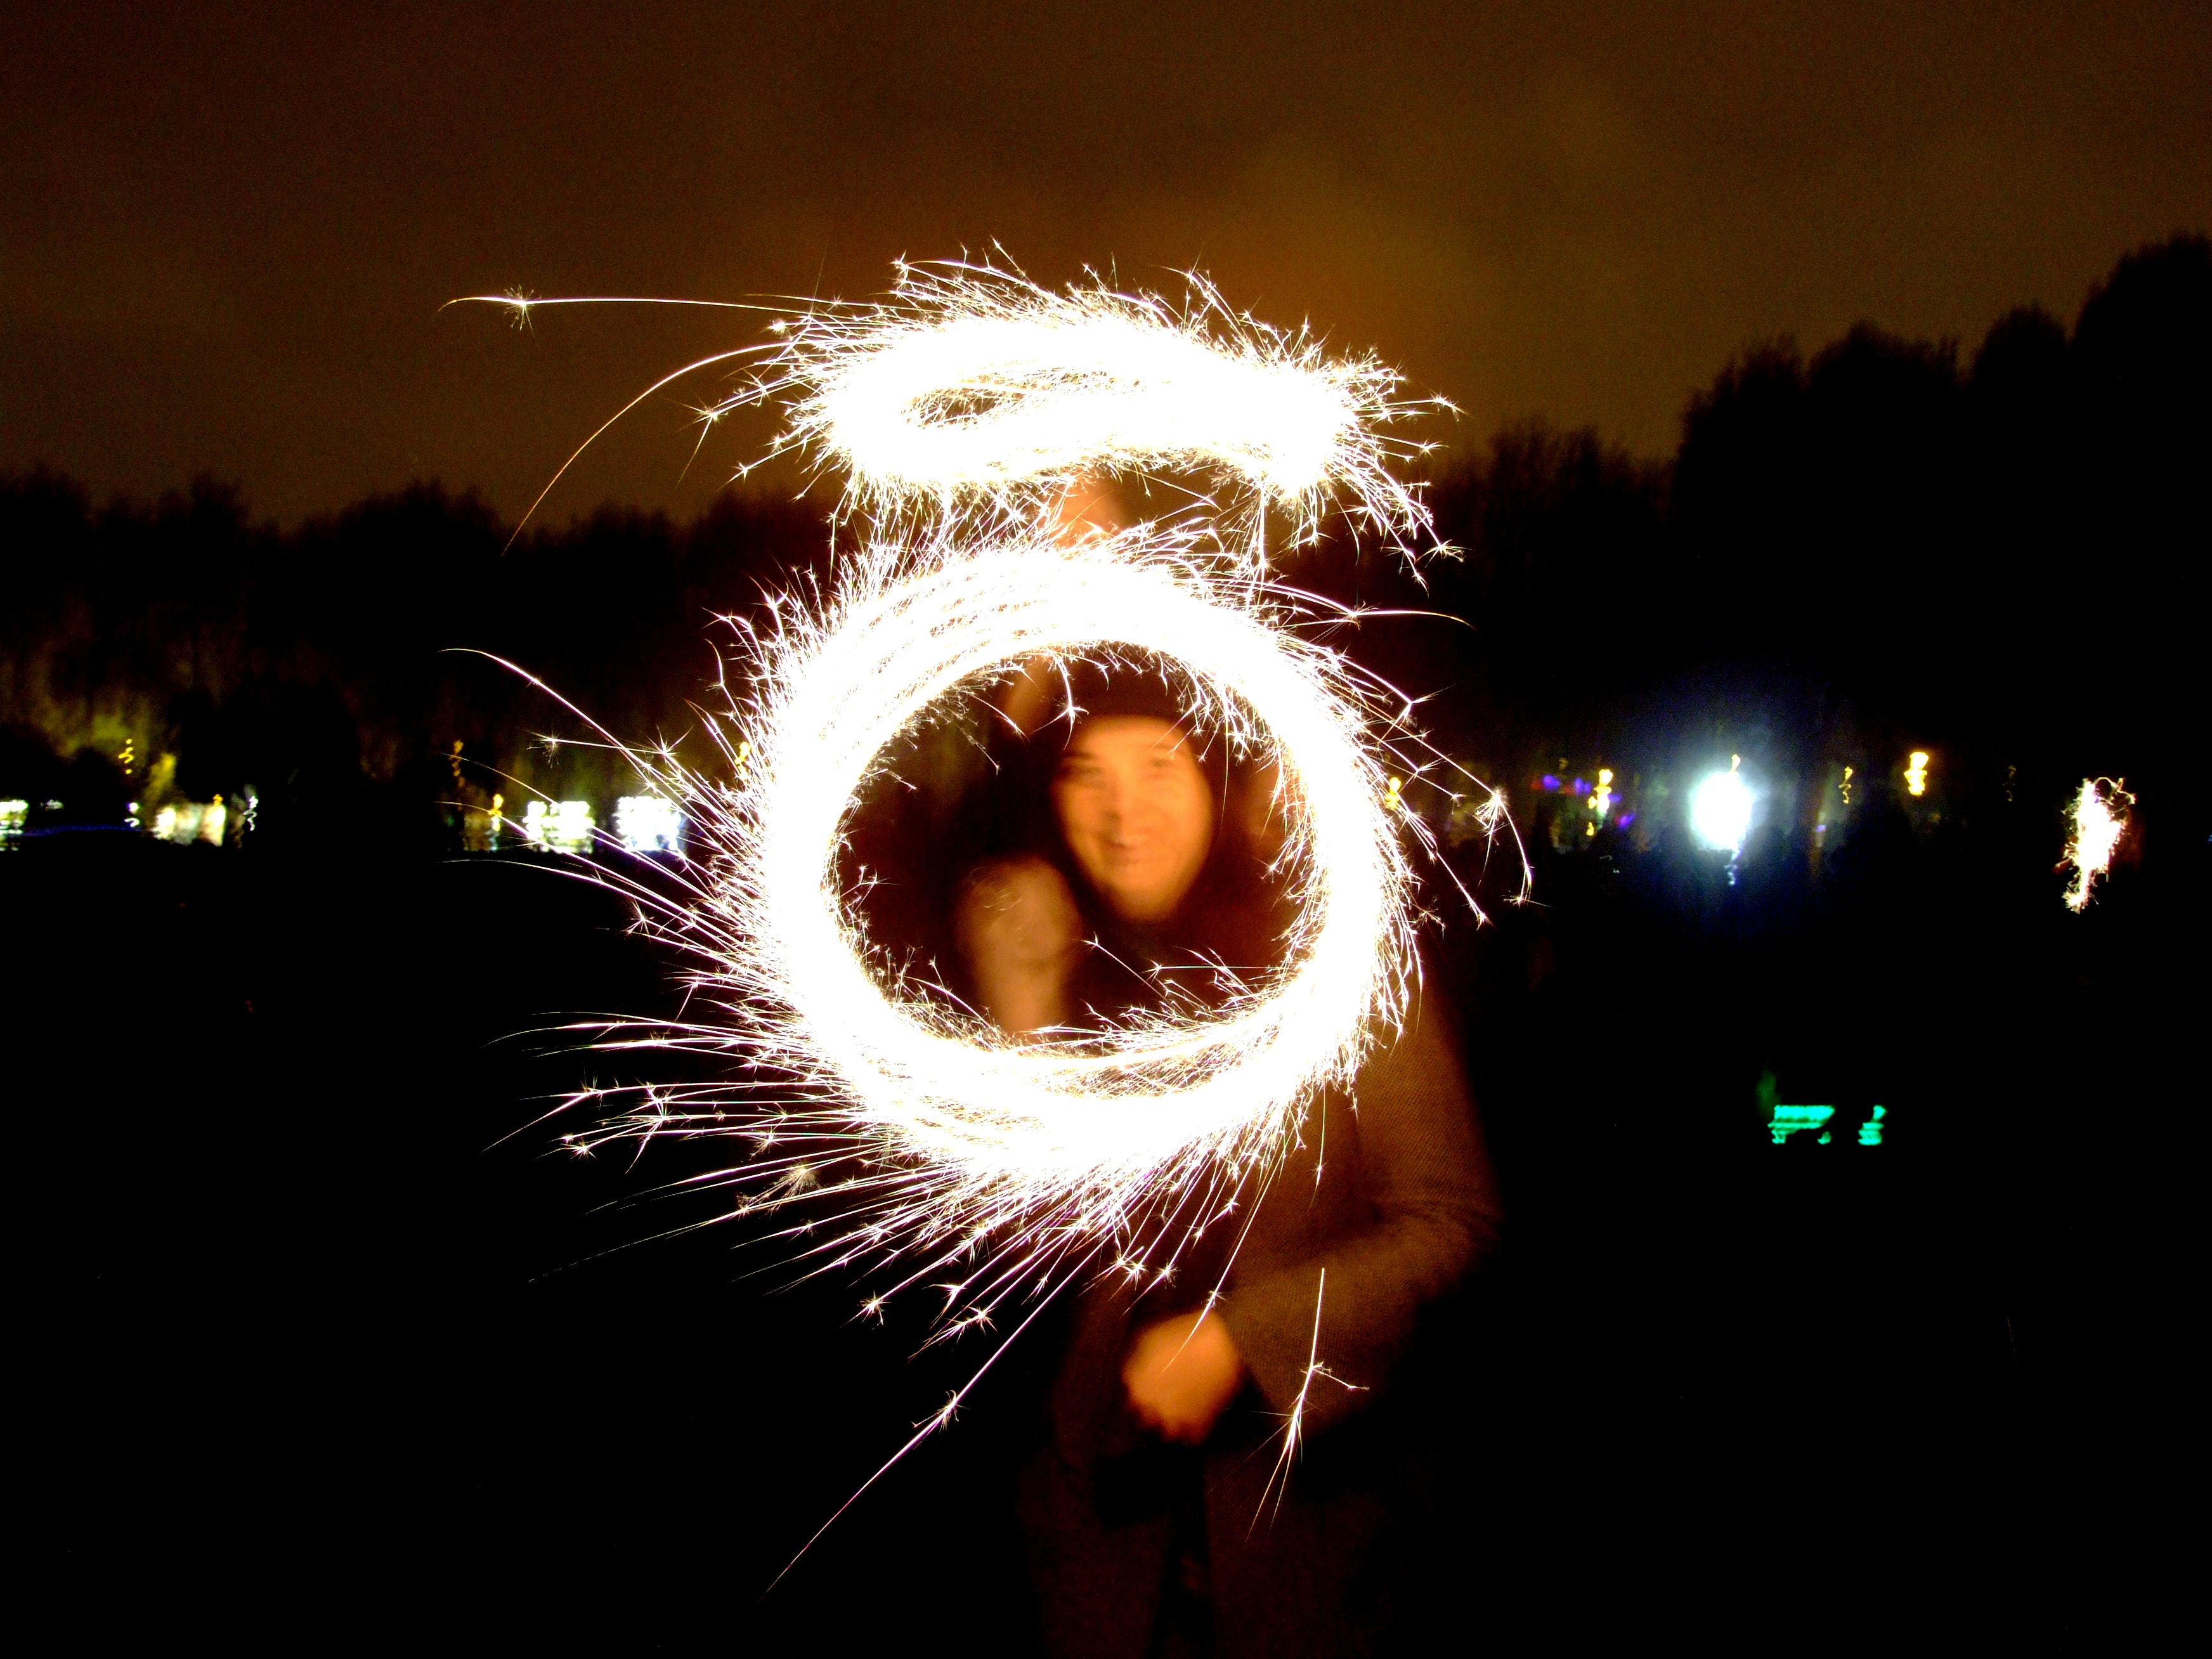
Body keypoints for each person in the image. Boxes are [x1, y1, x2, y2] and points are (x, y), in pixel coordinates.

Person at [955, 653, 1503, 1659]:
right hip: (1098, 1557)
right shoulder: (1049, 949)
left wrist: (1246, 1339)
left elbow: (1452, 1221)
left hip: (1314, 1553)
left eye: (1161, 765)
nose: (1125, 813)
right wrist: (1025, 1030)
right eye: (1088, 771)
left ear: (1216, 776)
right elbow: (1016, 1271)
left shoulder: (1336, 964)